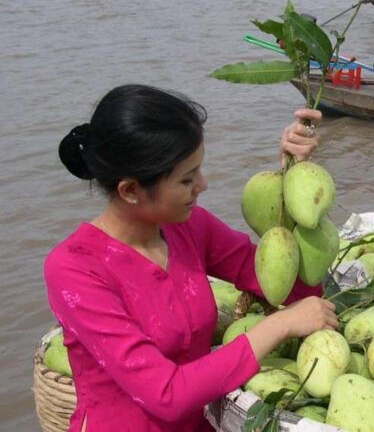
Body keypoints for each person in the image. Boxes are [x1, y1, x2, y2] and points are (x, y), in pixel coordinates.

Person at [46, 85, 338, 431]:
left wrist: (292, 182)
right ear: (131, 190)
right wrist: (281, 324)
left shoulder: (189, 227)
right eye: (187, 179)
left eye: (198, 170)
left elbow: (291, 290)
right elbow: (165, 395)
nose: (203, 185)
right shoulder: (75, 269)